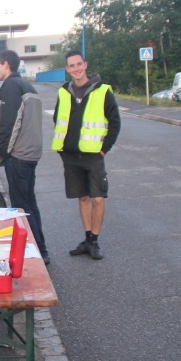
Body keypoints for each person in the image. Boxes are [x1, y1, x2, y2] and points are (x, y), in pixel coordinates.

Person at [53, 50, 121, 261]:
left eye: (79, 64)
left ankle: (95, 241)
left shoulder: (102, 91)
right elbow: (58, 119)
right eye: (72, 65)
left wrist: (103, 149)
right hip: (71, 156)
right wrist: (64, 147)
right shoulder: (64, 92)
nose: (76, 68)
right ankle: (87, 239)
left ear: (85, 65)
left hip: (93, 155)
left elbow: (115, 122)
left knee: (98, 199)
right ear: (67, 69)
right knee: (82, 198)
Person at [0, 49, 50, 265]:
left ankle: (35, 252)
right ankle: (40, 249)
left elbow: (9, 124)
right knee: (29, 204)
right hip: (30, 155)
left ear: (6, 65)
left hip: (18, 156)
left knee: (20, 208)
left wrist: (4, 153)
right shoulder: (27, 85)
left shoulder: (10, 86)